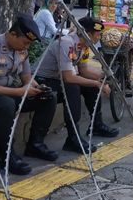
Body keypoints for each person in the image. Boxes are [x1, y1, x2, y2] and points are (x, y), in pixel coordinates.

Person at [0, 14, 58, 175]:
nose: (26, 47)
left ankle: (35, 144)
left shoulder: (21, 50)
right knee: (7, 104)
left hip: (8, 92)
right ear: (13, 34)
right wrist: (20, 91)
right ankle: (6, 155)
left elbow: (27, 78)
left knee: (48, 98)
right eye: (25, 42)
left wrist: (39, 87)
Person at [35, 17, 119, 154]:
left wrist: (104, 78)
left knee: (91, 87)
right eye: (96, 34)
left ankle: (97, 125)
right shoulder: (67, 43)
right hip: (43, 80)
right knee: (73, 88)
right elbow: (68, 77)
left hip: (58, 79)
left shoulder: (83, 46)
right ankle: (73, 138)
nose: (99, 37)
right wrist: (97, 83)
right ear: (86, 33)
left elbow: (84, 71)